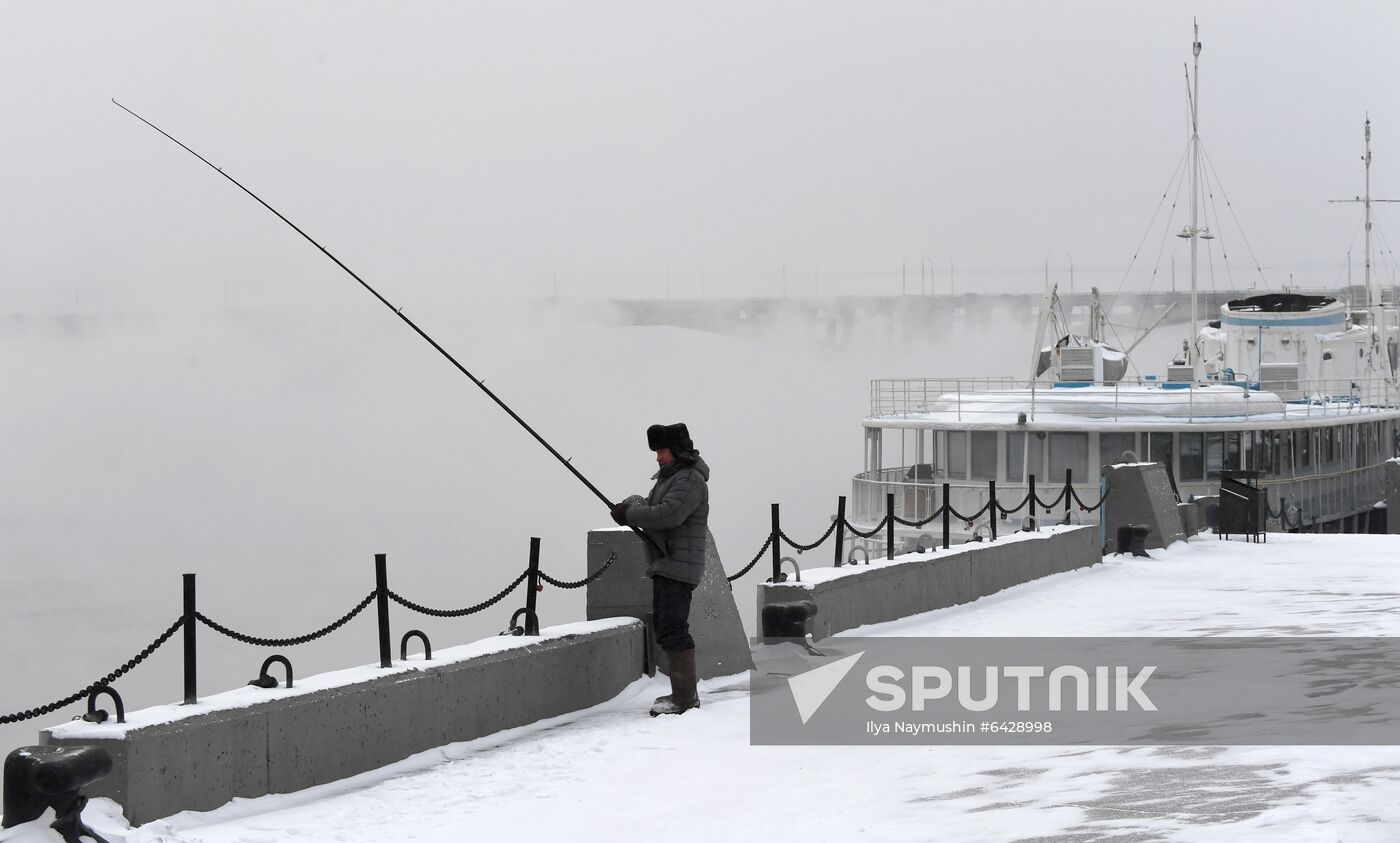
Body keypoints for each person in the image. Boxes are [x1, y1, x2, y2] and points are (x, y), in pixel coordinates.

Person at [611, 422, 710, 716]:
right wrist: (632, 504)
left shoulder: (689, 480)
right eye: (656, 451)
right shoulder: (672, 478)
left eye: (662, 451)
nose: (658, 457)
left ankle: (684, 699)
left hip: (678, 566)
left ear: (677, 451)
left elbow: (669, 514)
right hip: (668, 564)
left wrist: (630, 513)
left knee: (674, 629)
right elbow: (654, 506)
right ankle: (682, 695)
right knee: (667, 628)